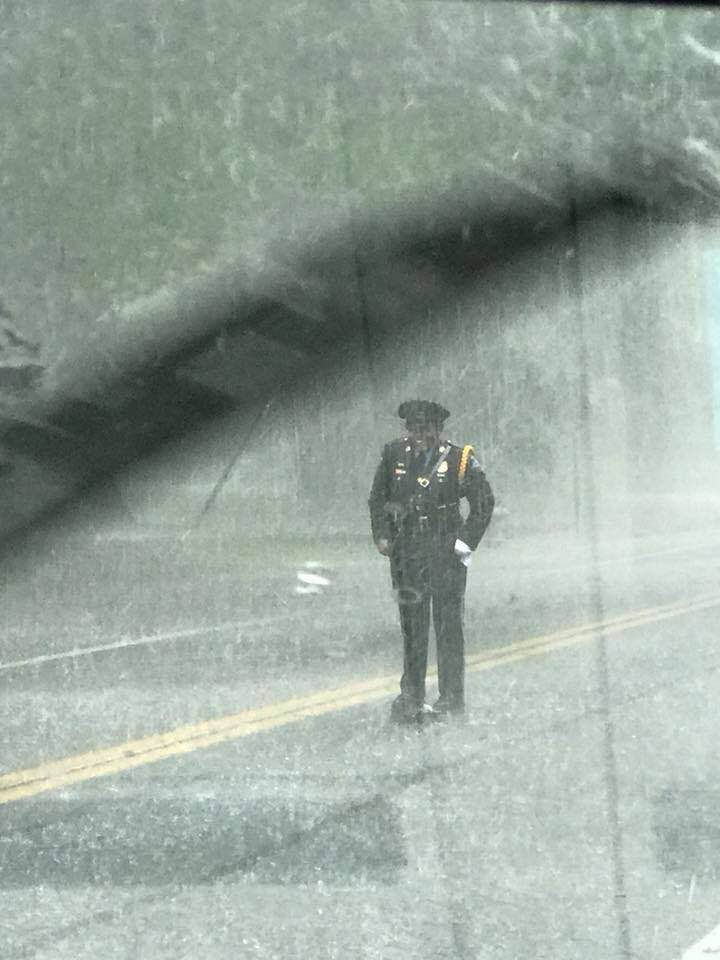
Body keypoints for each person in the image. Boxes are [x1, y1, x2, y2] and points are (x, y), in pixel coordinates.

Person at [369, 400, 495, 724]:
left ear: (439, 429)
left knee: (448, 627)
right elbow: (378, 499)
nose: (420, 435)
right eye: (414, 428)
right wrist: (382, 535)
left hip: (445, 552)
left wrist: (463, 546)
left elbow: (483, 503)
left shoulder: (459, 458)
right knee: (413, 627)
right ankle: (411, 695)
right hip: (408, 552)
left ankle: (451, 697)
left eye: (426, 429)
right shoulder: (394, 455)